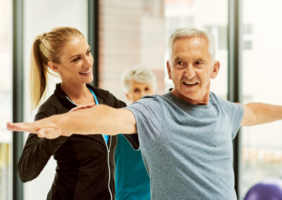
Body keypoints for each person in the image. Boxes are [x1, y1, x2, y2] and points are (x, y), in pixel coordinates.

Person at [7, 28, 282, 200]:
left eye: (199, 63)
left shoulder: (224, 111)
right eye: (180, 63)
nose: (189, 72)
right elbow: (110, 118)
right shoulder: (155, 110)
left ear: (214, 69)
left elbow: (251, 113)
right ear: (169, 69)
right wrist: (62, 124)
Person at [17, 27, 126, 200]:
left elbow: (138, 123)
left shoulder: (105, 99)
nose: (88, 62)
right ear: (54, 67)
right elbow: (25, 172)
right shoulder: (53, 110)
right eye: (76, 59)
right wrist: (59, 134)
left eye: (87, 52)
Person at [115, 66, 156, 200]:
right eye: (136, 90)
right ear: (127, 95)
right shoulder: (118, 125)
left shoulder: (162, 123)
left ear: (154, 91)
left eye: (147, 89)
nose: (143, 94)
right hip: (127, 196)